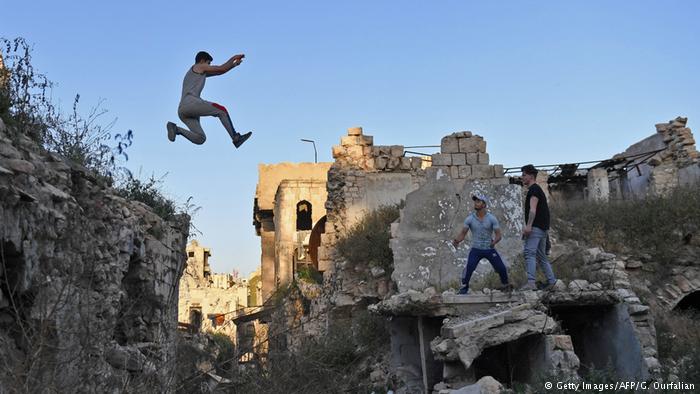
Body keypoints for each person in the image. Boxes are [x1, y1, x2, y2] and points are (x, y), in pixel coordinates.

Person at [167, 51, 252, 148]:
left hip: (182, 110)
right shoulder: (199, 66)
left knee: (200, 138)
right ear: (202, 61)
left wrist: (234, 65)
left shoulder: (195, 72)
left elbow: (218, 72)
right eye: (208, 64)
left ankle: (176, 129)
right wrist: (233, 58)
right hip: (191, 103)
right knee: (221, 110)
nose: (209, 66)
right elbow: (221, 69)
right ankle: (236, 137)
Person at [452, 194, 512, 295]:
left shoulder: (491, 218)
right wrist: (456, 241)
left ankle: (506, 286)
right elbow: (463, 234)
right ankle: (464, 288)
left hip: (489, 249)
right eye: (475, 201)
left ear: (484, 204)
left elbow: (499, 235)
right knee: (469, 267)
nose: (476, 203)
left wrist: (494, 242)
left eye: (478, 201)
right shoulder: (470, 219)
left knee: (501, 268)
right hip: (476, 249)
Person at [520, 164, 557, 291]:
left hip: (535, 228)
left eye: (524, 175)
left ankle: (531, 283)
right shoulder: (538, 189)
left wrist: (528, 226)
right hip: (543, 228)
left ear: (530, 176)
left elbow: (533, 209)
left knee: (529, 253)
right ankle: (552, 281)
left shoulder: (534, 190)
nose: (522, 177)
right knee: (541, 256)